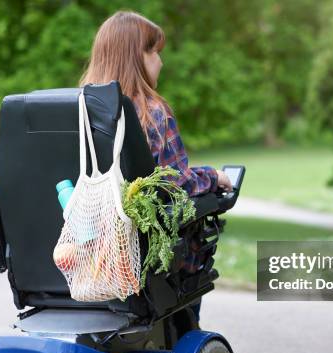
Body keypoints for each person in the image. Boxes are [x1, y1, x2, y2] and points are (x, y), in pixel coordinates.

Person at [79, 10, 233, 323]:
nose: (160, 61)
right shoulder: (152, 113)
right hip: (146, 263)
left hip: (89, 254)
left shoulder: (77, 113)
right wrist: (214, 177)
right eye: (154, 52)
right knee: (196, 243)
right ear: (136, 57)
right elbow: (176, 185)